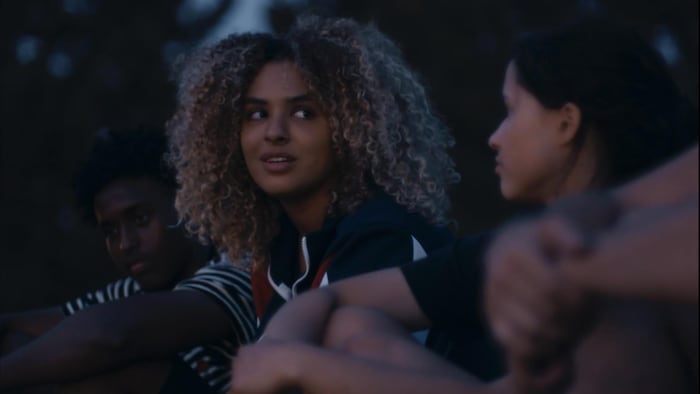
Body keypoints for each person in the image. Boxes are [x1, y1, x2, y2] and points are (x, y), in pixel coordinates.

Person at [229, 18, 698, 394]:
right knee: (352, 325)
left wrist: (296, 365)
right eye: (256, 114)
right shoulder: (518, 250)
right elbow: (333, 301)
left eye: (512, 110)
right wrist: (278, 349)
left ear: (567, 123)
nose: (495, 137)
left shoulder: (629, 291)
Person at [166, 15, 460, 331]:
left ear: (352, 129)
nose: (274, 133)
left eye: (304, 113)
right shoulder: (275, 254)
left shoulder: (385, 238)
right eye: (257, 114)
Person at [0, 127, 256, 394]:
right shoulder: (136, 291)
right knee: (16, 345)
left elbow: (112, 336)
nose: (125, 243)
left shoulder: (235, 269)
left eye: (140, 219)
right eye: (110, 231)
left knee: (109, 370)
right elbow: (32, 327)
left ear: (186, 204)